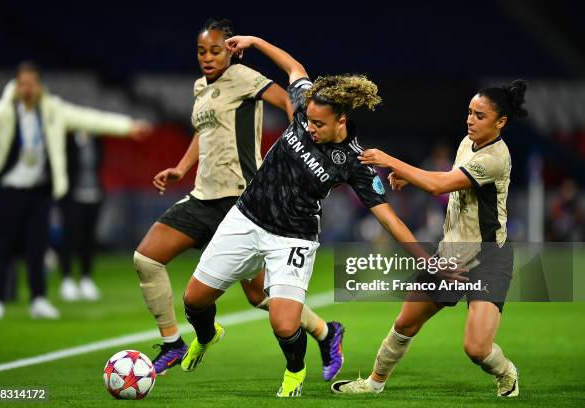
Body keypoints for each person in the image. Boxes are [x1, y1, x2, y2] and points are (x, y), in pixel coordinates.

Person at [178, 34, 434, 398]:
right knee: (194, 300)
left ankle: (295, 373)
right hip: (247, 217)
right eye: (308, 121)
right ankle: (206, 337)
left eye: (318, 124)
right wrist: (254, 42)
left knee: (284, 323)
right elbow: (294, 68)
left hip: (293, 238)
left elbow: (387, 217)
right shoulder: (304, 106)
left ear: (341, 120)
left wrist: (425, 260)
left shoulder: (355, 163)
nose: (309, 127)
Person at [133, 19, 345, 381]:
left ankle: (326, 333)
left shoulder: (245, 77)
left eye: (216, 50)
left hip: (245, 203)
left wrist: (304, 143)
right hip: (203, 197)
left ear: (230, 51)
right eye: (202, 51)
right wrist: (181, 168)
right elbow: (205, 131)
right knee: (146, 259)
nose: (208, 58)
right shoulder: (200, 86)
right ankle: (172, 343)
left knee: (261, 296)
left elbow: (289, 103)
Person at [331, 80, 528, 397]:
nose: (470, 120)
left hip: (488, 258)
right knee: (406, 322)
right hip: (451, 252)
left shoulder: (495, 158)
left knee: (476, 349)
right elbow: (447, 179)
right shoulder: (468, 142)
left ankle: (507, 372)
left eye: (479, 115)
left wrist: (392, 162)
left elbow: (439, 186)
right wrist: (409, 177)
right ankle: (374, 383)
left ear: (501, 121)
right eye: (469, 113)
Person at [0, 61, 150, 319]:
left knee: (37, 246)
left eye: (32, 83)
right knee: (3, 245)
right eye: (23, 83)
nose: (28, 89)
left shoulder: (51, 110)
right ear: (16, 85)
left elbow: (88, 118)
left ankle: (38, 299)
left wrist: (127, 126)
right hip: (8, 189)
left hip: (39, 190)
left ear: (39, 85)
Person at [58, 130, 105, 302]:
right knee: (70, 238)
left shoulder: (97, 138)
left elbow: (99, 163)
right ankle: (67, 279)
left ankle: (86, 279)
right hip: (72, 197)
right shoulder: (68, 139)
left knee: (89, 239)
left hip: (93, 195)